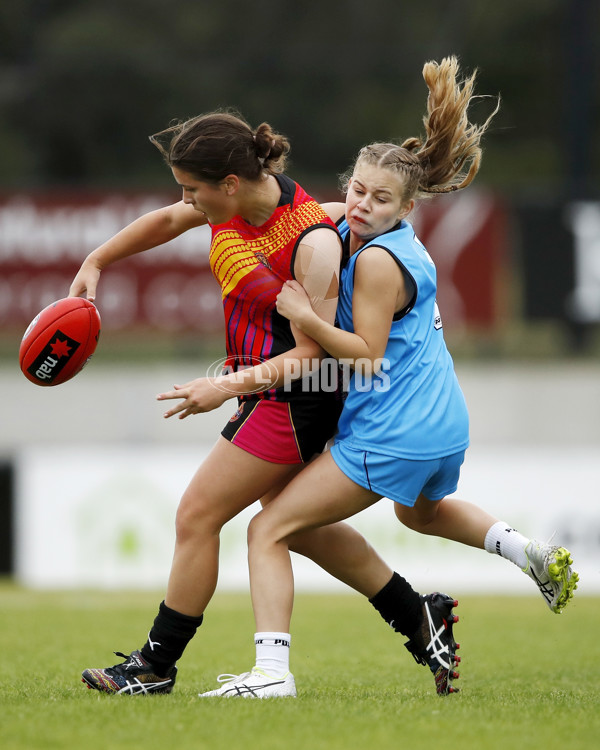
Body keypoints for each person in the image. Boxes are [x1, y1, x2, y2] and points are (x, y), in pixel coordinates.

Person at [199, 57, 578, 699]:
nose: (363, 206)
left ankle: (271, 675)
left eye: (379, 200)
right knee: (419, 515)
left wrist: (301, 316)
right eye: (357, 192)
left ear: (407, 207)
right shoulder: (364, 229)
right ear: (348, 187)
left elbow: (367, 357)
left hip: (394, 427)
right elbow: (279, 214)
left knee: (269, 528)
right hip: (441, 421)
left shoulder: (376, 260)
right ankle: (526, 552)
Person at [71, 110, 460, 697]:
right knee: (298, 529)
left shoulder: (313, 241)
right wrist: (96, 261)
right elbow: (166, 221)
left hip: (295, 399)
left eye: (193, 190)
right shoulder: (225, 207)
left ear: (230, 182)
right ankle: (417, 615)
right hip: (263, 389)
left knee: (198, 514)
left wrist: (220, 388)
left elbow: (314, 354)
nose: (187, 203)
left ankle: (156, 666)